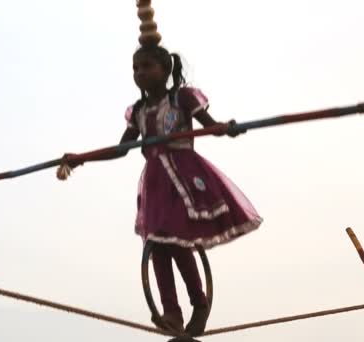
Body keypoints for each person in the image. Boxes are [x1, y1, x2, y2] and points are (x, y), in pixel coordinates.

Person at [56, 0, 262, 337]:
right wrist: (82, 157)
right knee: (157, 245)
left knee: (177, 241)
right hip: (155, 184)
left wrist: (226, 127)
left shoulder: (182, 100)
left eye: (146, 67)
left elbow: (211, 125)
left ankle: (198, 302)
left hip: (184, 176)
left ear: (165, 70)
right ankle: (171, 312)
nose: (139, 74)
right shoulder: (138, 111)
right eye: (135, 68)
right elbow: (121, 150)